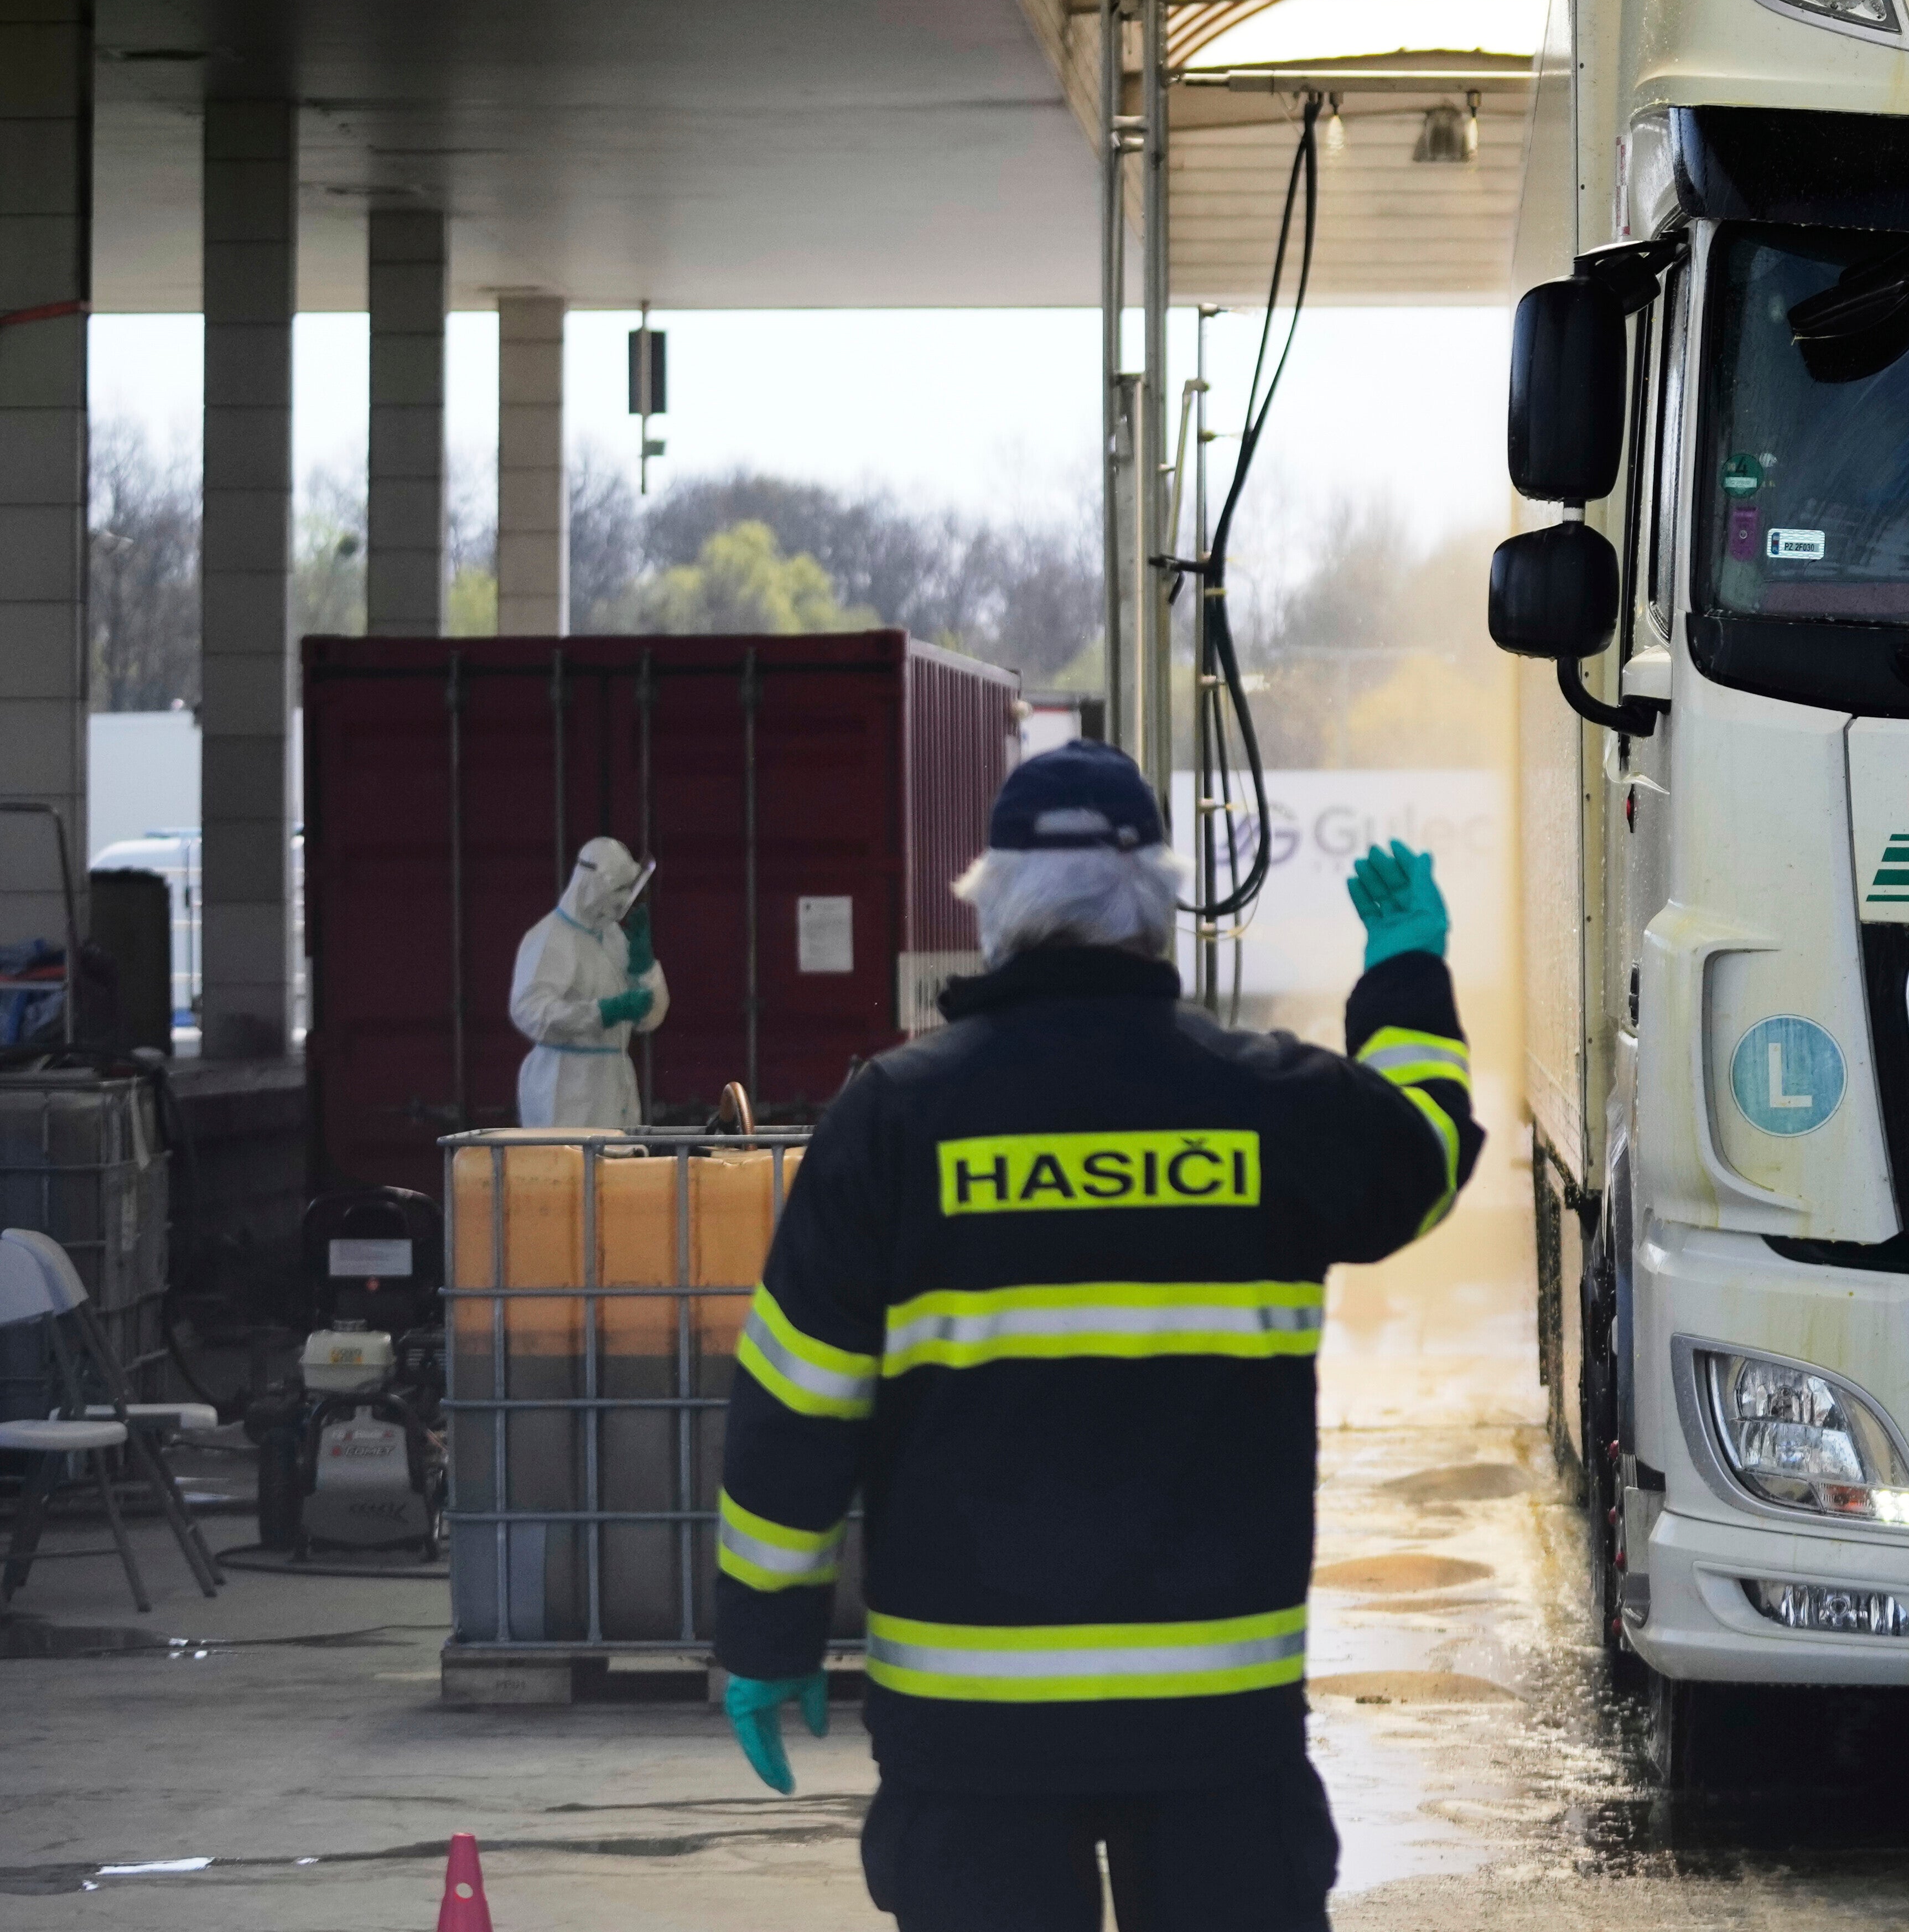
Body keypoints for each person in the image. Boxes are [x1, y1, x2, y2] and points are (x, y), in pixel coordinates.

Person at [708, 740, 1477, 1932]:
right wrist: (1408, 972)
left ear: (998, 906)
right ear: (1157, 902)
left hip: (971, 1732)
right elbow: (1420, 1158)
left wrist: (766, 1630)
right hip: (1215, 1727)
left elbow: (797, 1401)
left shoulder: (896, 1119)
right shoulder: (1264, 1103)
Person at [508, 837, 668, 1128]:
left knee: (618, 1167)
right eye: (618, 890)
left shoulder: (612, 937)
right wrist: (600, 1013)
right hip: (565, 1086)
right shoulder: (550, 938)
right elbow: (530, 1012)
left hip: (611, 1082)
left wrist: (646, 970)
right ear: (589, 884)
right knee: (566, 1170)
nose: (623, 900)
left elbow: (649, 1018)